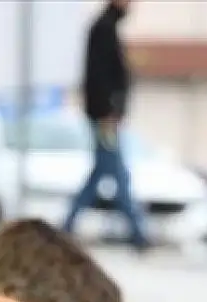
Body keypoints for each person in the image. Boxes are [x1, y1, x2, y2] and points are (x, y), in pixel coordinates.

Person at [62, 0, 150, 254]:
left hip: (107, 116)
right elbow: (99, 77)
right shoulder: (102, 29)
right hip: (105, 118)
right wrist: (108, 112)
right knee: (118, 174)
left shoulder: (107, 28)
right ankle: (138, 234)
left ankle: (67, 226)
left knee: (101, 173)